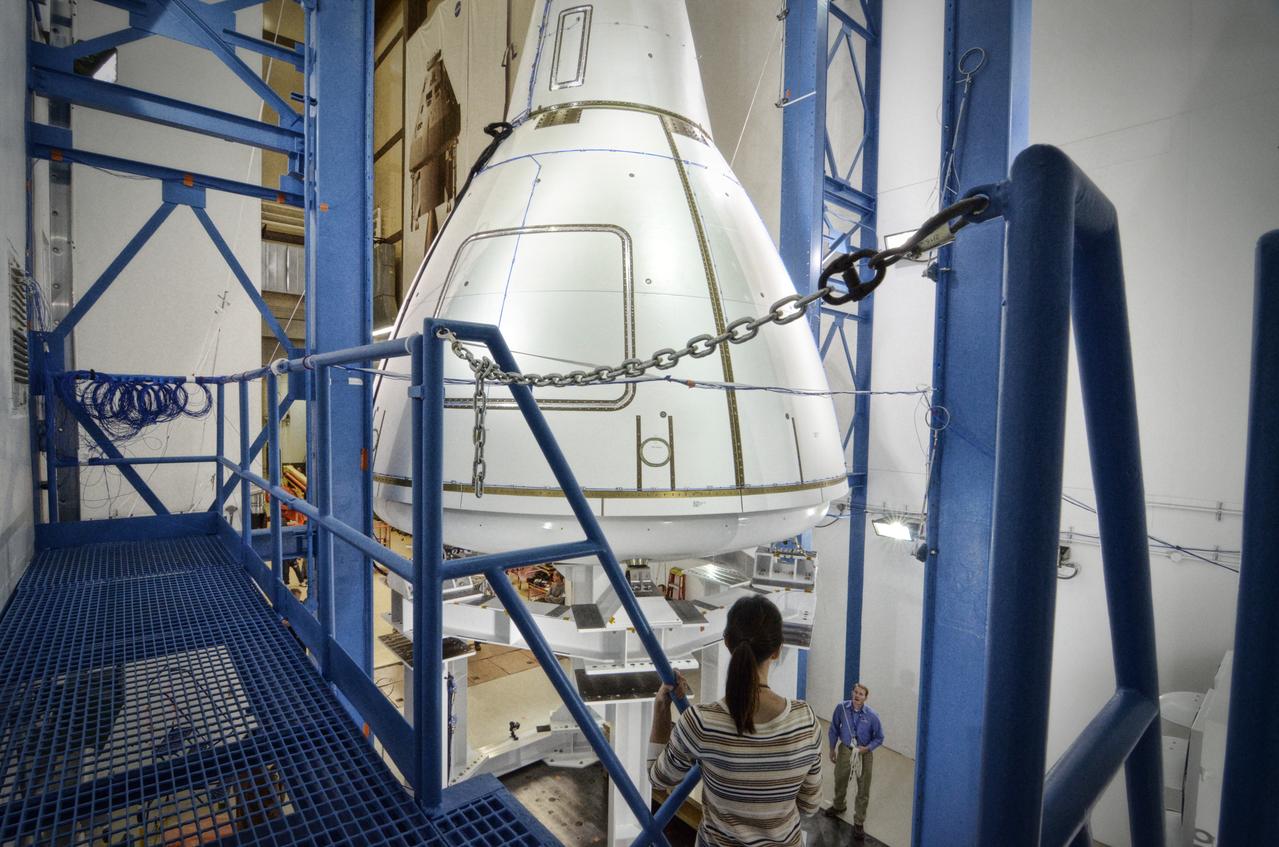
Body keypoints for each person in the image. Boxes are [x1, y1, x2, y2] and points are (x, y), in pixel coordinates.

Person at [649, 596, 823, 846]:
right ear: (777, 650)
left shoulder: (701, 722)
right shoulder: (805, 723)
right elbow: (809, 805)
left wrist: (661, 708)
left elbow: (658, 778)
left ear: (727, 642)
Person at [825, 683, 884, 841]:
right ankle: (838, 805)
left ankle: (859, 821)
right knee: (840, 779)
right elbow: (834, 729)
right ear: (852, 693)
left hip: (864, 754)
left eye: (861, 694)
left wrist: (867, 748)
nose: (858, 696)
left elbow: (879, 737)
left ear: (865, 697)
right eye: (856, 692)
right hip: (845, 750)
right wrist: (832, 749)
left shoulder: (872, 715)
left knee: (863, 788)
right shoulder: (841, 708)